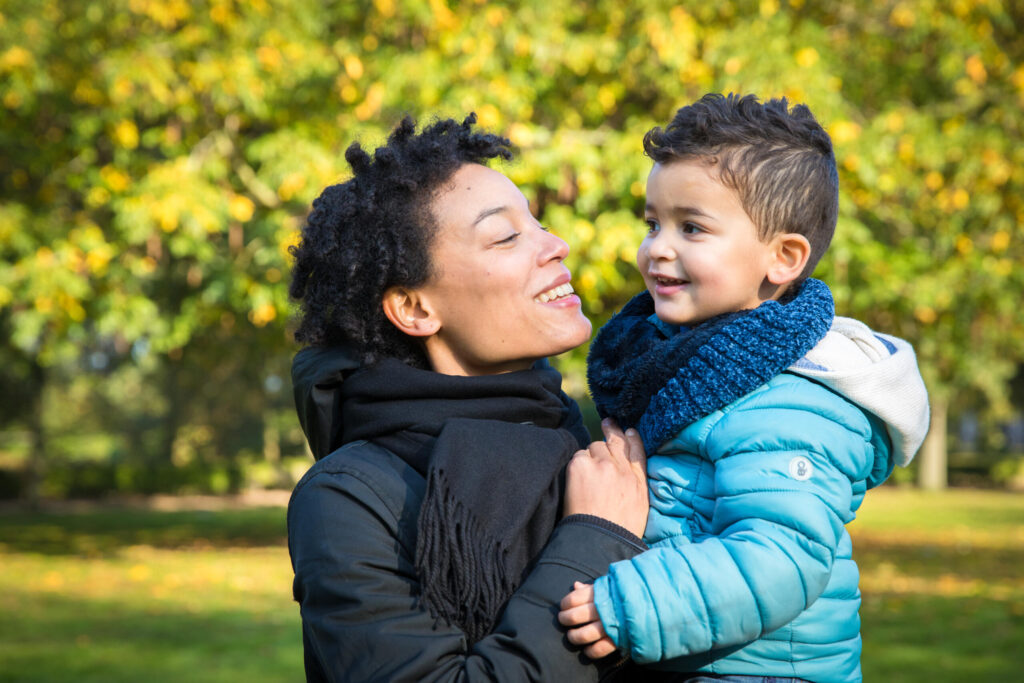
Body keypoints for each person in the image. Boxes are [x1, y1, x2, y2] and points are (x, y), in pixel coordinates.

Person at [556, 93, 931, 682]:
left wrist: (632, 605)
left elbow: (780, 558)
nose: (658, 247)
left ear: (782, 258)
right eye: (653, 223)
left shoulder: (793, 397)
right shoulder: (686, 363)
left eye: (692, 227)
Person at [286, 114, 654, 682]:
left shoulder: (591, 437)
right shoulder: (348, 499)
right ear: (414, 309)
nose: (557, 245)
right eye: (506, 236)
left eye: (538, 224)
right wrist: (593, 541)